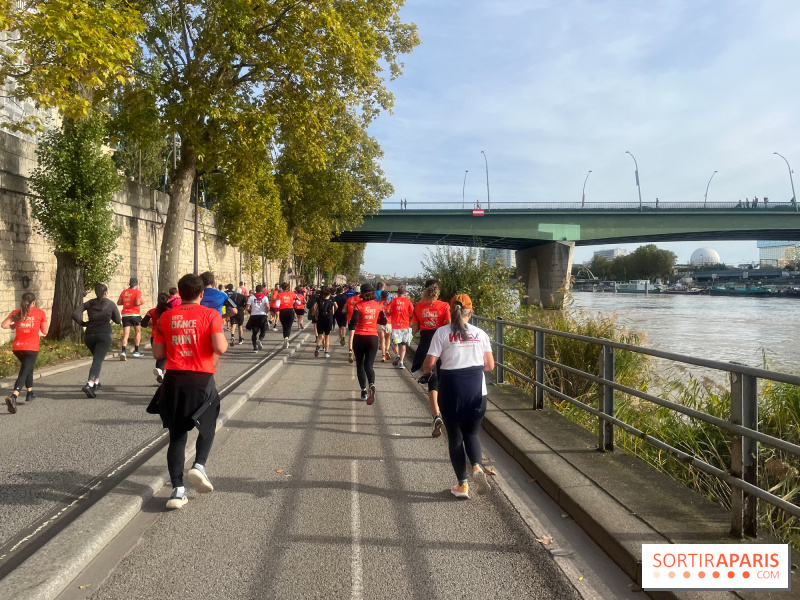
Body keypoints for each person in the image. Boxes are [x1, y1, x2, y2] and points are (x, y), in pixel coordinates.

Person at [148, 273, 228, 510]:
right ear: (202, 294)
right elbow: (220, 347)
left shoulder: (166, 316)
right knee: (209, 423)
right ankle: (199, 465)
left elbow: (157, 354)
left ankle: (177, 490)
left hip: (173, 380)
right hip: (201, 379)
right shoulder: (210, 314)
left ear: (179, 294)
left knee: (177, 437)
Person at [420, 294, 494, 499]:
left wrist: (427, 375)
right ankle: (477, 466)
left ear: (451, 311)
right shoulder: (481, 334)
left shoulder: (442, 333)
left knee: (455, 437)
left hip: (452, 391)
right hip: (477, 393)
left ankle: (463, 485)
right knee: (472, 434)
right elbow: (489, 365)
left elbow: (429, 363)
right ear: (471, 312)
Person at [411, 280, 451, 437]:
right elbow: (449, 325)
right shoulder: (445, 306)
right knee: (443, 378)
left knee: (431, 381)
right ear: (438, 292)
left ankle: (436, 415)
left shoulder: (419, 306)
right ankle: (443, 412)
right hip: (442, 344)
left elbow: (414, 329)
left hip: (426, 345)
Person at [2, 292, 48, 413]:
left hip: (17, 348)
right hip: (31, 348)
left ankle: (30, 393)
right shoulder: (40, 313)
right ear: (34, 302)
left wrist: (13, 326)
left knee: (28, 368)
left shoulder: (16, 312)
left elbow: (4, 325)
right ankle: (14, 397)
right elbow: (45, 331)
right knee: (24, 371)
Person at [72, 283, 121, 397]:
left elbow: (74, 314)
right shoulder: (110, 304)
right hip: (104, 335)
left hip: (89, 335)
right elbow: (118, 320)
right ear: (105, 293)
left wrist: (83, 323)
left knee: (97, 359)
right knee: (98, 361)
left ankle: (96, 382)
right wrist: (109, 315)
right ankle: (89, 384)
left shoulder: (89, 303)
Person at [348, 284, 380, 404]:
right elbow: (383, 320)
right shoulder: (377, 305)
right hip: (373, 337)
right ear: (372, 292)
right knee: (369, 365)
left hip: (360, 337)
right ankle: (371, 383)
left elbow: (353, 321)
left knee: (360, 364)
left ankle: (364, 391)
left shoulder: (358, 305)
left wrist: (351, 327)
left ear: (361, 292)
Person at [142, 293, 171, 383]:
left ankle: (160, 373)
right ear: (167, 301)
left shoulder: (152, 311)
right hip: (166, 336)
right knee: (166, 355)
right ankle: (160, 370)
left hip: (154, 337)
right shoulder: (169, 311)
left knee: (159, 356)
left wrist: (150, 324)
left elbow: (143, 323)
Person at [117, 277, 144, 360]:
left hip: (125, 314)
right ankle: (136, 351)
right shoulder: (138, 292)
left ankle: (123, 351)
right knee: (138, 332)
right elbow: (137, 302)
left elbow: (119, 302)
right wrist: (142, 302)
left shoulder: (124, 292)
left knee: (126, 334)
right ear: (136, 284)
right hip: (135, 314)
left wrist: (127, 302)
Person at [388, 285, 414, 369]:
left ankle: (397, 354)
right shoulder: (408, 301)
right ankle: (402, 362)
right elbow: (412, 311)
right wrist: (408, 316)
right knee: (403, 345)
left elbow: (387, 310)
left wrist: (392, 313)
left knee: (394, 343)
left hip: (395, 325)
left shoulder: (393, 300)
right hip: (405, 325)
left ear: (397, 293)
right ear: (405, 293)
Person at [313, 288, 337, 358]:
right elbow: (333, 310)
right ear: (329, 294)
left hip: (320, 318)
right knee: (327, 337)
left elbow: (314, 308)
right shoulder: (331, 302)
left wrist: (316, 316)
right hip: (328, 319)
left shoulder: (319, 300)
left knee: (320, 337)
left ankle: (318, 347)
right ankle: (326, 353)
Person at [272, 282, 297, 348]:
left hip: (282, 311)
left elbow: (277, 305)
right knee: (289, 326)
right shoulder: (292, 293)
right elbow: (295, 301)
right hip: (290, 310)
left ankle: (285, 338)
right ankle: (287, 338)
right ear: (288, 287)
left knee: (284, 326)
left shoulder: (279, 294)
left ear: (281, 288)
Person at [246, 285, 269, 352]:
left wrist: (250, 311)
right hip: (262, 315)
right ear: (262, 290)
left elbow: (247, 307)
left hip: (254, 316)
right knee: (263, 330)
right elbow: (268, 307)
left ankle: (255, 347)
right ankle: (260, 339)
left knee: (254, 332)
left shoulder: (251, 297)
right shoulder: (265, 297)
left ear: (255, 290)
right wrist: (266, 312)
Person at [375, 282, 392, 362]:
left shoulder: (378, 304)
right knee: (388, 337)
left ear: (381, 296)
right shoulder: (389, 303)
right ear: (387, 296)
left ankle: (383, 355)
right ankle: (387, 350)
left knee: (382, 339)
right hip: (389, 322)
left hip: (380, 323)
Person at [345, 285, 361, 363]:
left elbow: (343, 310)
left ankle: (350, 351)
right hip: (359, 321)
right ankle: (356, 353)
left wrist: (349, 311)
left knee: (351, 336)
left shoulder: (349, 299)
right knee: (358, 338)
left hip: (350, 320)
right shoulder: (361, 300)